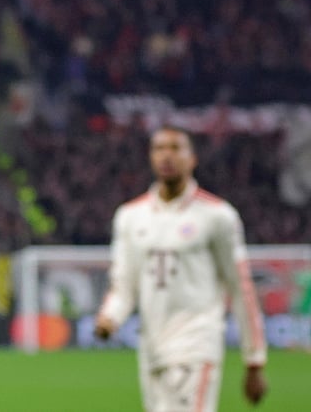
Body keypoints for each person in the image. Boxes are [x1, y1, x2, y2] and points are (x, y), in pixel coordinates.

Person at [94, 125, 268, 412]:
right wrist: (110, 317)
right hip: (152, 347)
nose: (167, 156)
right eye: (159, 148)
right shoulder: (130, 216)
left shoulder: (217, 216)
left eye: (175, 148)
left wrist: (255, 359)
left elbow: (241, 288)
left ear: (192, 159)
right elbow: (124, 285)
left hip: (197, 342)